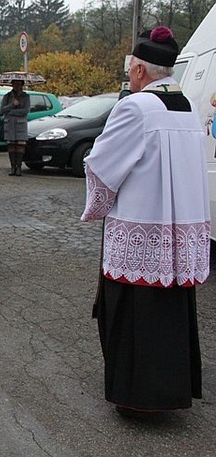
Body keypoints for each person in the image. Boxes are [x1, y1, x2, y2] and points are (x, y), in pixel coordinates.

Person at [80, 27, 210, 416]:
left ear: (138, 69)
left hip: (139, 228)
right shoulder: (187, 105)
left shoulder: (134, 107)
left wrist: (97, 206)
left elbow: (102, 167)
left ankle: (136, 398)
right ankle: (171, 392)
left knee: (133, 314)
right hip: (178, 230)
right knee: (168, 311)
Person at [0, 78, 30, 176]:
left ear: (22, 85)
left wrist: (11, 112)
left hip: (20, 124)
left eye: (19, 84)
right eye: (15, 84)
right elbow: (2, 110)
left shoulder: (25, 96)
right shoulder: (7, 96)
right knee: (11, 146)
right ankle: (13, 167)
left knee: (20, 145)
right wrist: (12, 105)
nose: (17, 86)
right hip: (9, 124)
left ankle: (19, 167)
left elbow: (25, 111)